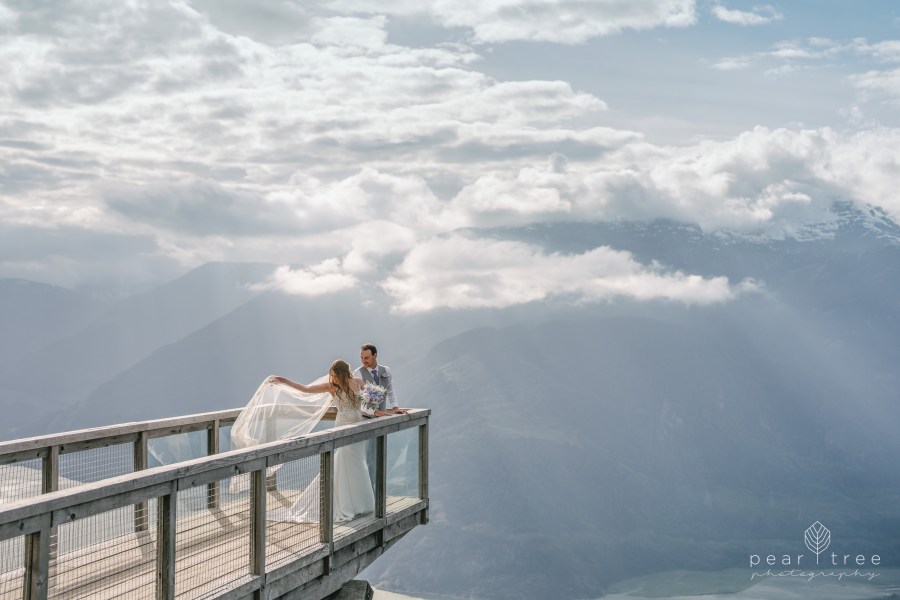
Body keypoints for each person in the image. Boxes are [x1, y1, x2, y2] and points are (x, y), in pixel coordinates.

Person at [265, 360, 375, 523]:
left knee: (358, 462)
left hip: (358, 425)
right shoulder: (331, 387)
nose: (333, 379)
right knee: (345, 461)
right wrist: (283, 380)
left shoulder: (357, 382)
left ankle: (361, 505)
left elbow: (371, 402)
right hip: (342, 426)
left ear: (344, 374)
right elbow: (306, 390)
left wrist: (375, 401)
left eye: (335, 376)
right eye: (332, 376)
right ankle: (345, 505)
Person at [354, 344, 406, 417]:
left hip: (383, 417)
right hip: (365, 419)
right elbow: (358, 400)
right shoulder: (357, 373)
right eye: (361, 358)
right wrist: (374, 412)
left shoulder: (386, 370)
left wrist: (395, 407)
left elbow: (390, 391)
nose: (363, 361)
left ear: (375, 356)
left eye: (366, 358)